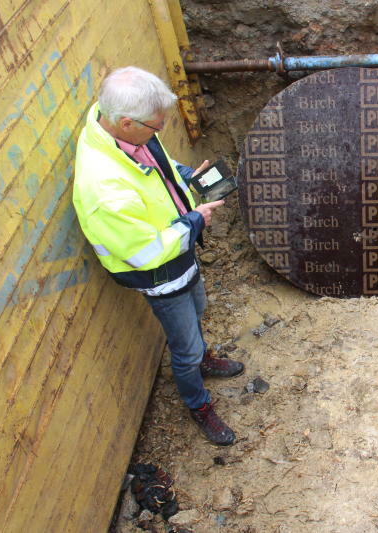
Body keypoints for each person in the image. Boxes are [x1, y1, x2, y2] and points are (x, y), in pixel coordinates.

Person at [72, 66, 244, 446]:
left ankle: (204, 359)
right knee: (183, 347)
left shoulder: (128, 133)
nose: (159, 131)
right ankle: (198, 403)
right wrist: (195, 221)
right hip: (161, 275)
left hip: (182, 260)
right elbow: (146, 253)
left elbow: (158, 171)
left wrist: (186, 175)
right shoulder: (102, 187)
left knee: (199, 310)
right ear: (127, 122)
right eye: (156, 127)